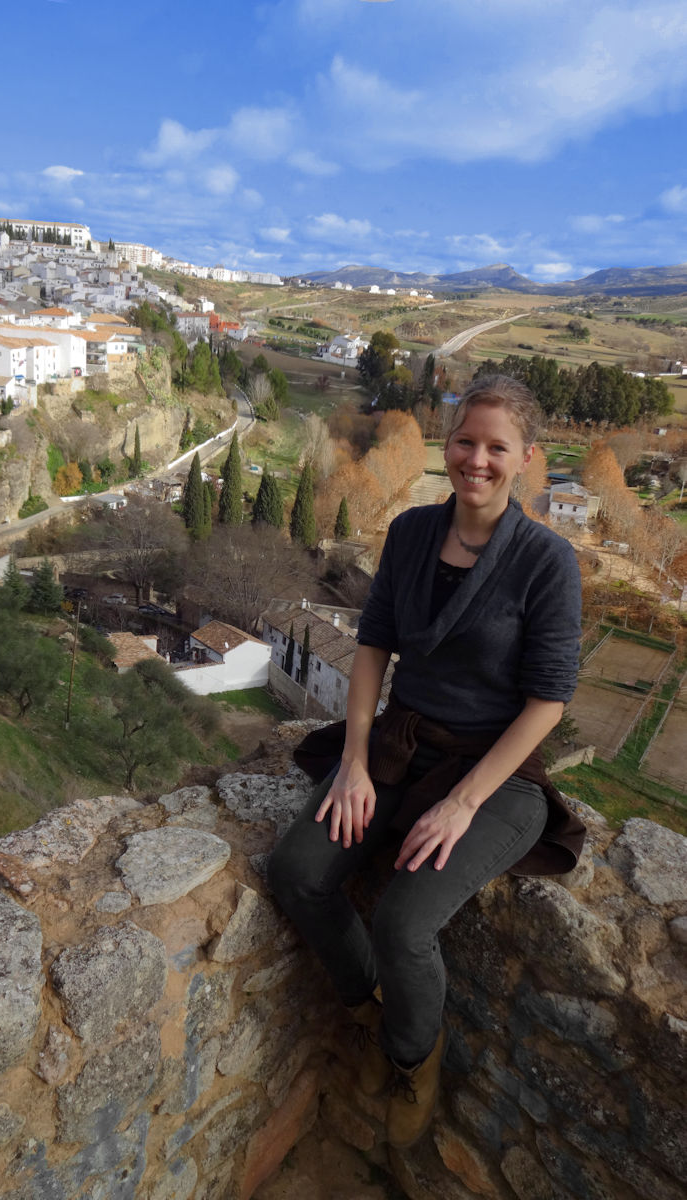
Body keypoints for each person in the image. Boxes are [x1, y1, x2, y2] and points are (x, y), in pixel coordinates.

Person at [267, 374, 585, 1150]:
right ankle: (366, 1004)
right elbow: (373, 645)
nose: (477, 459)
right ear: (448, 444)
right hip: (400, 746)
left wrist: (463, 803)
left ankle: (414, 1058)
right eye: (465, 441)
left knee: (404, 921)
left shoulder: (547, 561)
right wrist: (353, 761)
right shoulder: (411, 533)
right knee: (298, 871)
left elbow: (547, 702)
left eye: (497, 447)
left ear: (526, 458)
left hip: (494, 774)